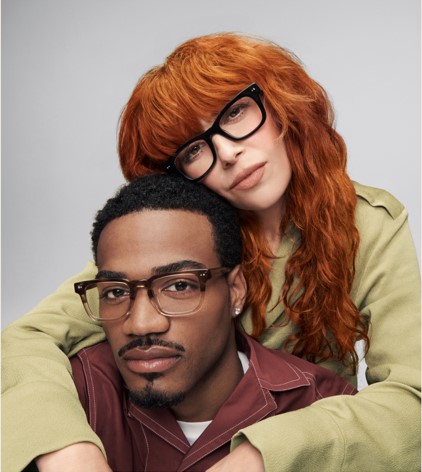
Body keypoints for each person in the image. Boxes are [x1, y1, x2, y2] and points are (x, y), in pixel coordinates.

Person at [2, 32, 420, 472]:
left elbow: (413, 400)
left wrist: (263, 454)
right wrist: (64, 444)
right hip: (159, 445)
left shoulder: (368, 223)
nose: (228, 153)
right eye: (194, 149)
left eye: (236, 113)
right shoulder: (184, 241)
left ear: (282, 106)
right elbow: (27, 340)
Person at [69, 174, 356, 471]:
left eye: (179, 286)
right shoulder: (73, 393)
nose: (141, 324)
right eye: (116, 292)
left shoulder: (322, 405)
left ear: (235, 291)